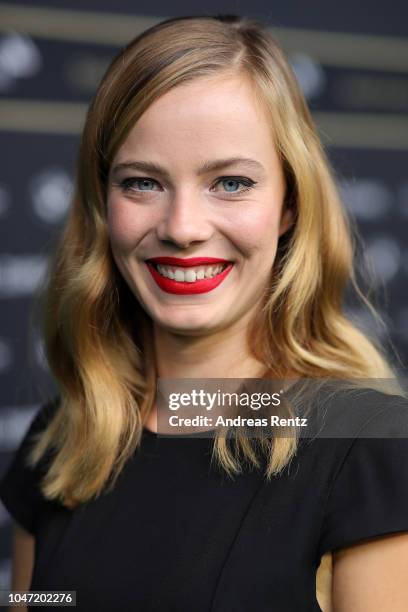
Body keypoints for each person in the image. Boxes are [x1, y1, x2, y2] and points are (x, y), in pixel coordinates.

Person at [1, 13, 408, 612]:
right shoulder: (61, 442)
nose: (183, 228)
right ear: (102, 203)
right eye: (142, 182)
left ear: (289, 205)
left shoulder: (367, 448)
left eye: (232, 183)